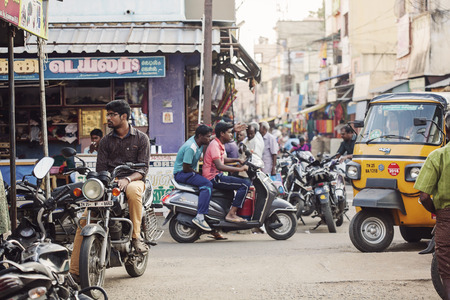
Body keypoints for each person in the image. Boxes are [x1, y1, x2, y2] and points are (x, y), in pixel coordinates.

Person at [70, 100, 150, 281]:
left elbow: (143, 169)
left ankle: (136, 237)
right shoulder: (105, 141)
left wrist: (127, 179)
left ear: (124, 116)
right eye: (108, 115)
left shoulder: (141, 138)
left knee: (132, 191)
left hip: (133, 180)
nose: (108, 119)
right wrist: (102, 182)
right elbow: (101, 169)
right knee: (84, 218)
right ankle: (75, 271)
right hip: (110, 182)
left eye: (112, 115)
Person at [414, 112, 450, 300]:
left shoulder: (437, 156)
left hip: (446, 218)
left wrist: (437, 212)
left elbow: (424, 196)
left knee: (446, 266)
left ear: (446, 131)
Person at [203, 122, 250, 223]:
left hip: (217, 176)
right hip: (213, 178)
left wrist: (238, 160)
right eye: (229, 133)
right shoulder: (215, 145)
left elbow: (223, 159)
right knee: (245, 184)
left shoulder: (220, 143)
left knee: (233, 190)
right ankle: (231, 214)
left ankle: (226, 212)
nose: (231, 135)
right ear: (222, 134)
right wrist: (240, 169)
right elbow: (220, 165)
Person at [173, 125, 214, 231]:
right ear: (200, 136)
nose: (209, 139)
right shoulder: (191, 147)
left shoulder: (199, 142)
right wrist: (198, 173)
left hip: (187, 171)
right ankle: (200, 217)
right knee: (207, 184)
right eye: (208, 137)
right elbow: (186, 167)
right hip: (182, 173)